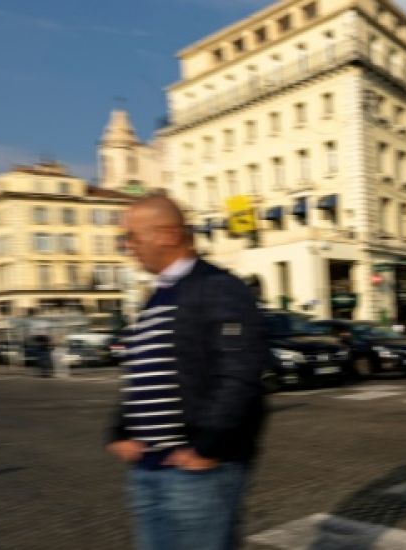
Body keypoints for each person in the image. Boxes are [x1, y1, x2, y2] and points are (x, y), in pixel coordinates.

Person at [105, 194, 270, 550]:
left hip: (197, 470)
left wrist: (208, 447)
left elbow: (239, 373)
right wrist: (120, 428)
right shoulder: (157, 297)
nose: (127, 246)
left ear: (166, 235)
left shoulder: (218, 288)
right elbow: (145, 370)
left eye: (132, 237)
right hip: (148, 467)